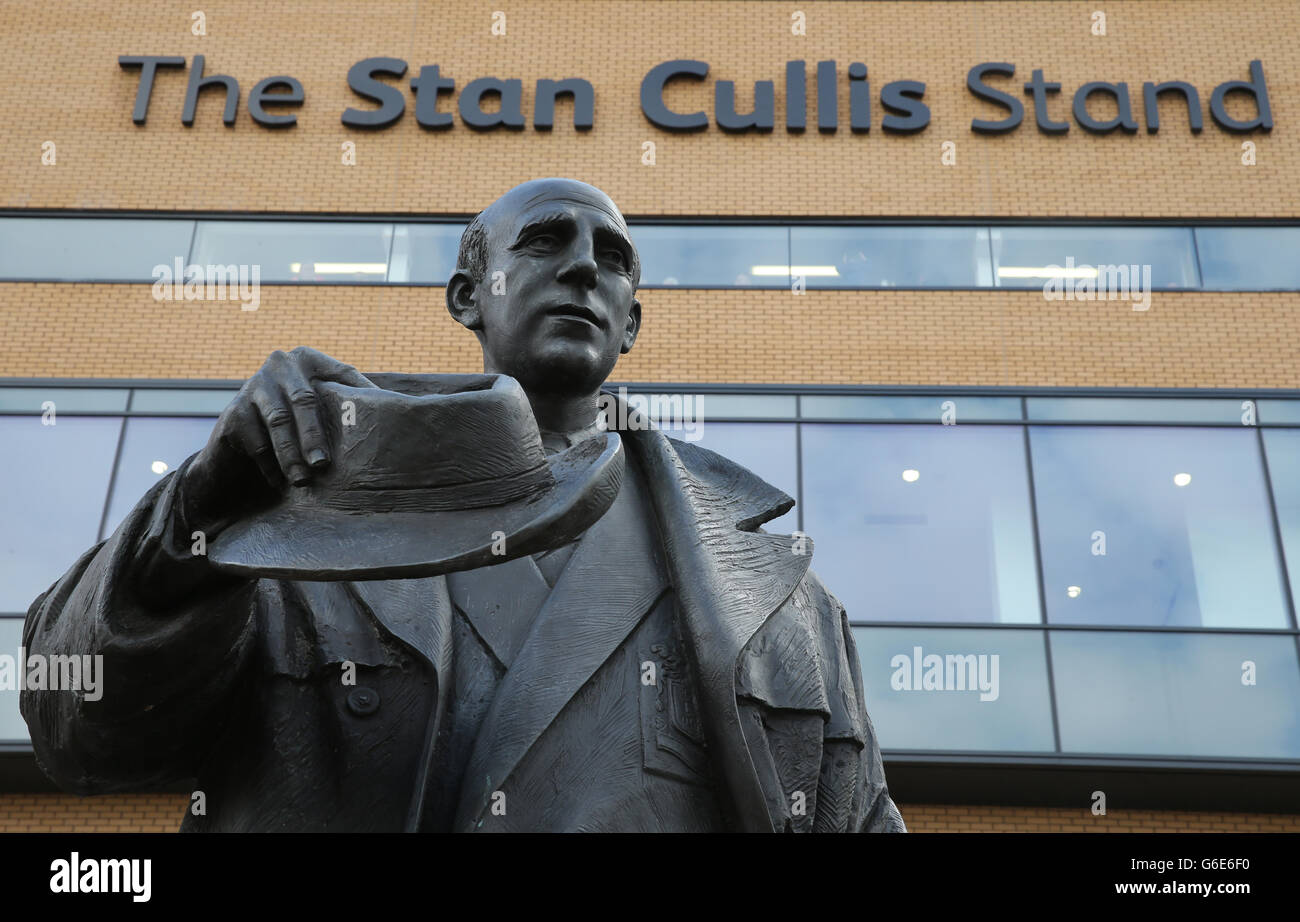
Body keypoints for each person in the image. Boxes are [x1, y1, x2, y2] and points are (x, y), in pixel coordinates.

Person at [21, 178, 904, 832]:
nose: (583, 267)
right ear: (464, 296)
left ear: (632, 321)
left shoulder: (779, 597)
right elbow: (79, 727)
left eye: (613, 258)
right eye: (545, 242)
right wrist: (200, 512)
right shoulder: (303, 510)